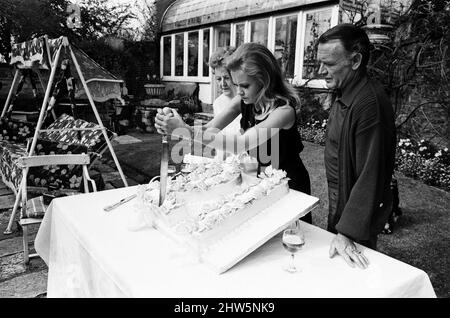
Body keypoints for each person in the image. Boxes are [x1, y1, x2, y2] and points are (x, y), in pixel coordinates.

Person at [155, 42, 312, 224]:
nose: (239, 91)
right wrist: (175, 125)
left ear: (264, 80)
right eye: (236, 84)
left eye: (244, 85)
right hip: (261, 184)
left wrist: (184, 130)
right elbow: (210, 129)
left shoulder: (283, 112)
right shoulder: (244, 100)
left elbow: (240, 144)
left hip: (290, 187)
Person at [317, 24, 396, 269]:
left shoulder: (368, 104)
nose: (322, 71)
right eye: (320, 63)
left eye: (329, 64)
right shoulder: (346, 91)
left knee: (352, 274)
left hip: (355, 219)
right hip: (340, 201)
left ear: (355, 60)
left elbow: (371, 174)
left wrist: (347, 232)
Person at [208, 46, 241, 160]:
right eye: (218, 79)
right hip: (228, 165)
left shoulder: (247, 101)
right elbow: (217, 135)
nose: (222, 84)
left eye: (226, 78)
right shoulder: (218, 103)